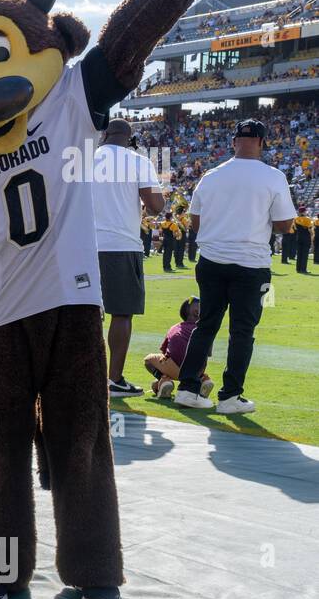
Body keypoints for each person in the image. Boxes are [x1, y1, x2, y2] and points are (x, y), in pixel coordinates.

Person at [174, 119, 296, 413]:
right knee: (242, 331)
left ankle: (188, 389)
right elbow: (284, 225)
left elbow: (196, 220)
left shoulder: (211, 175)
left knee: (205, 326)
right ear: (263, 142)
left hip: (212, 260)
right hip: (250, 263)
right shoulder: (273, 176)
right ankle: (229, 396)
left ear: (233, 142)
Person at [92, 119, 166, 396]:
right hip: (121, 243)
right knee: (121, 313)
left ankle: (83, 377)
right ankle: (114, 378)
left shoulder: (84, 157)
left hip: (85, 244)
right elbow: (156, 206)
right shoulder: (139, 161)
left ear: (105, 134)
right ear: (129, 138)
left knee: (85, 314)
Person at [145, 297, 214, 398]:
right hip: (197, 370)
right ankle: (203, 380)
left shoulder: (174, 328)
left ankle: (164, 380)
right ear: (197, 313)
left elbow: (165, 354)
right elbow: (208, 353)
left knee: (148, 360)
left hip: (177, 371)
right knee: (199, 358)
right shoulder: (204, 330)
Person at [295, 205, 313, 274]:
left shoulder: (296, 219)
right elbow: (310, 229)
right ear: (304, 212)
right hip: (306, 237)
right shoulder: (308, 219)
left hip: (299, 237)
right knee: (305, 254)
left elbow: (296, 228)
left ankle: (298, 269)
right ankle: (303, 269)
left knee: (299, 253)